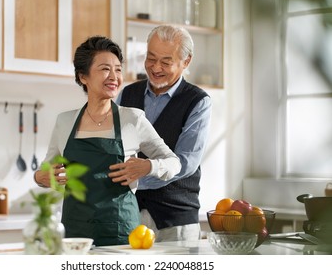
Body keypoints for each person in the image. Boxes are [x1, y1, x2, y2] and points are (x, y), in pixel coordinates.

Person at [33, 36, 181, 247]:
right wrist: (40, 177)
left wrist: (148, 166)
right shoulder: (65, 122)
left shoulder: (133, 119)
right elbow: (46, 171)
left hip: (122, 235)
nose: (114, 77)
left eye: (118, 70)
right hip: (76, 235)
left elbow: (173, 162)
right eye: (105, 69)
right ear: (83, 76)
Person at [116, 25, 212, 242]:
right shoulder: (127, 94)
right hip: (129, 216)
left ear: (186, 62)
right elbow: (113, 147)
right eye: (150, 58)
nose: (155, 67)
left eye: (166, 62)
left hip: (175, 221)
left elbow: (186, 162)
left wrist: (142, 174)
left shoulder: (197, 101)